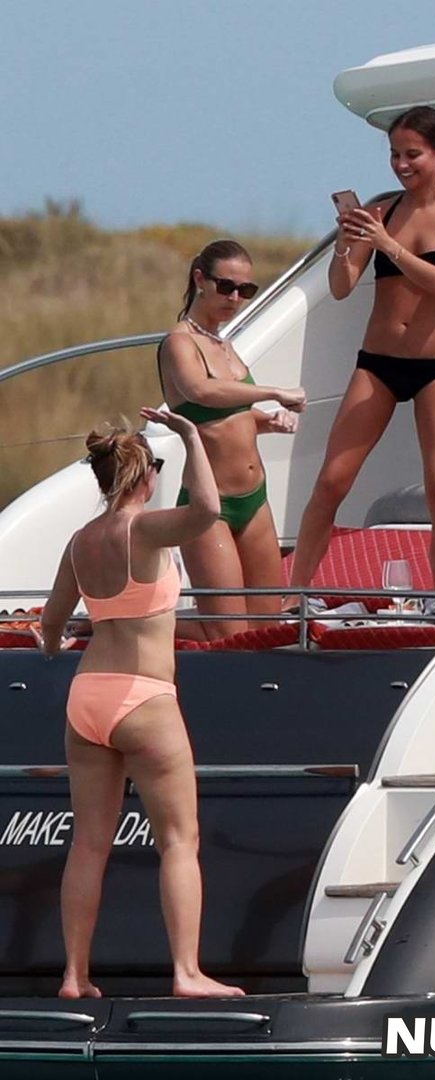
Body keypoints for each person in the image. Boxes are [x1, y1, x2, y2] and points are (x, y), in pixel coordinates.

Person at [39, 408, 245, 998]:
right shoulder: (146, 530)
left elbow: (51, 626)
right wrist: (191, 436)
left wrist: (63, 642)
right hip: (144, 695)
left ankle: (74, 975)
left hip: (87, 695)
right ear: (144, 476)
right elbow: (207, 510)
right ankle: (187, 973)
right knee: (179, 840)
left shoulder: (80, 542)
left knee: (88, 843)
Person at [288, 106, 435, 599]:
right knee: (331, 483)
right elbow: (342, 287)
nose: (401, 164)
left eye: (412, 154)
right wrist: (347, 243)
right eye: (395, 154)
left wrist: (387, 244)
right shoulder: (382, 212)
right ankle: (293, 596)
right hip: (378, 363)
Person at [158, 240, 306, 639]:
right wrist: (273, 392)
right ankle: (124, 624)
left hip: (255, 498)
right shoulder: (179, 343)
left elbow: (229, 416)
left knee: (266, 628)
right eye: (226, 287)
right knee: (228, 634)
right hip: (210, 506)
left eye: (246, 290)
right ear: (200, 279)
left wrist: (268, 420)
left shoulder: (223, 343)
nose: (236, 298)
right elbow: (201, 392)